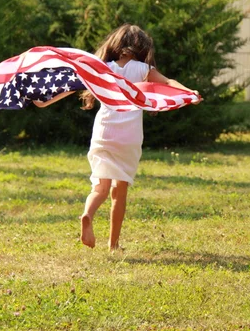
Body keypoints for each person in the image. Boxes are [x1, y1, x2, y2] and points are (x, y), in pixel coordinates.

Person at [34, 24, 201, 251]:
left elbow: (72, 86)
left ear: (115, 45)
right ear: (141, 47)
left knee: (100, 187)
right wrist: (189, 93)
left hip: (104, 131)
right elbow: (169, 82)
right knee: (118, 193)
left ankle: (87, 215)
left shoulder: (103, 68)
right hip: (128, 135)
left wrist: (45, 101)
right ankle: (113, 245)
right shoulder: (143, 69)